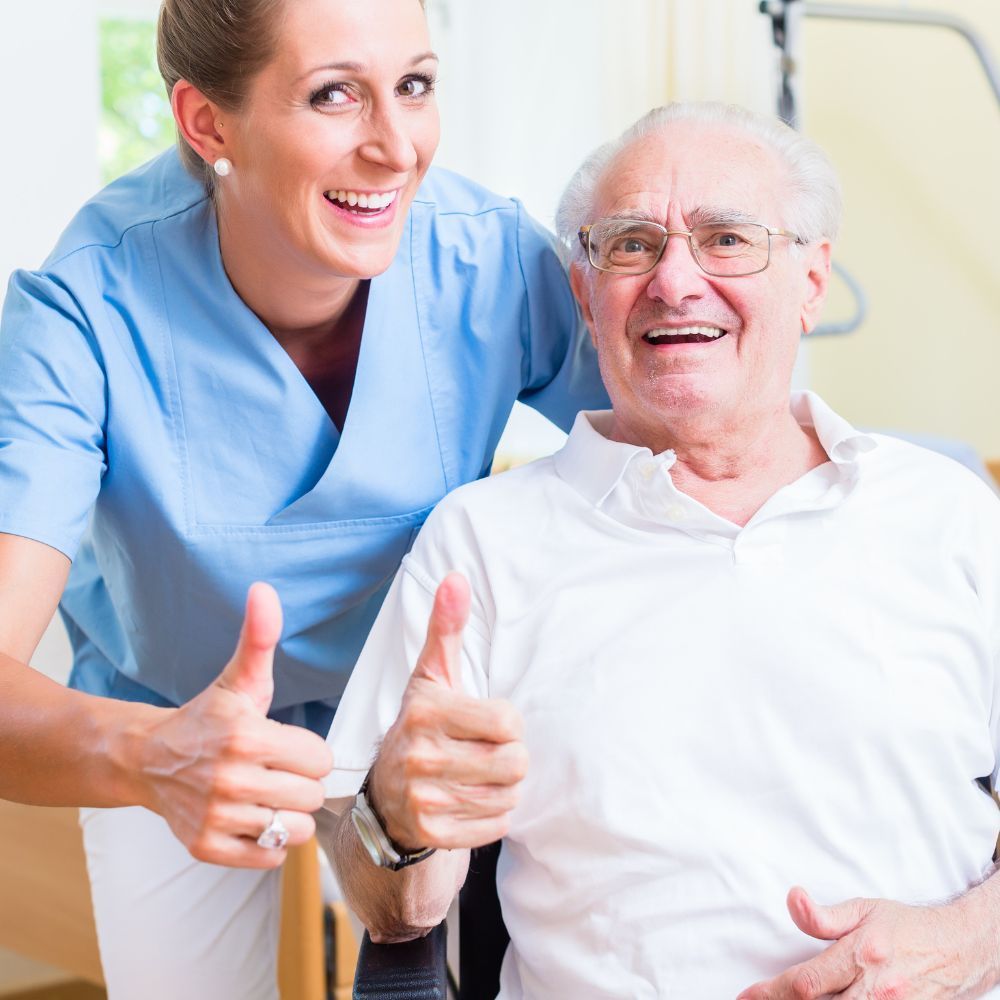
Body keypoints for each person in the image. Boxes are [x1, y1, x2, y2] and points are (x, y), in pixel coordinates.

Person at [321, 101, 1000, 998]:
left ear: (811, 279)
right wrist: (398, 818)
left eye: (727, 239)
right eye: (632, 245)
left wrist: (967, 939)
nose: (676, 281)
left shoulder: (950, 515)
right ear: (584, 296)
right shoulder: (484, 540)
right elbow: (382, 905)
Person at [0, 0, 606, 995]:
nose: (395, 147)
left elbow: (681, 442)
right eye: (334, 95)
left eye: (413, 86)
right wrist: (150, 755)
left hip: (420, 700)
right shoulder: (85, 308)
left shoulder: (484, 260)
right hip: (178, 715)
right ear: (207, 124)